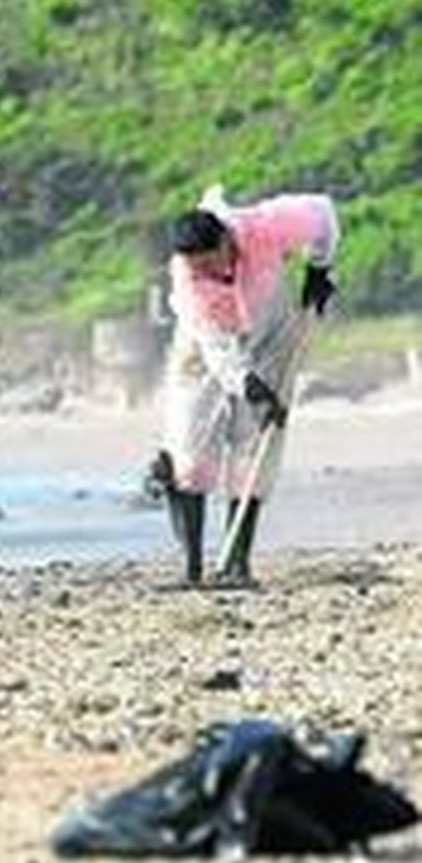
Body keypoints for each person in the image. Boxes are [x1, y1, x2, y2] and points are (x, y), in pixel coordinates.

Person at [153, 185, 339, 586]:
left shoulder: (265, 226)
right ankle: (192, 568)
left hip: (270, 332)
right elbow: (216, 349)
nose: (204, 273)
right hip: (205, 344)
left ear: (226, 241)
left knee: (256, 443)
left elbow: (324, 213)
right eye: (196, 268)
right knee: (189, 447)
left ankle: (237, 564)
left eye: (209, 263)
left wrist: (319, 268)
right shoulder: (187, 281)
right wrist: (249, 386)